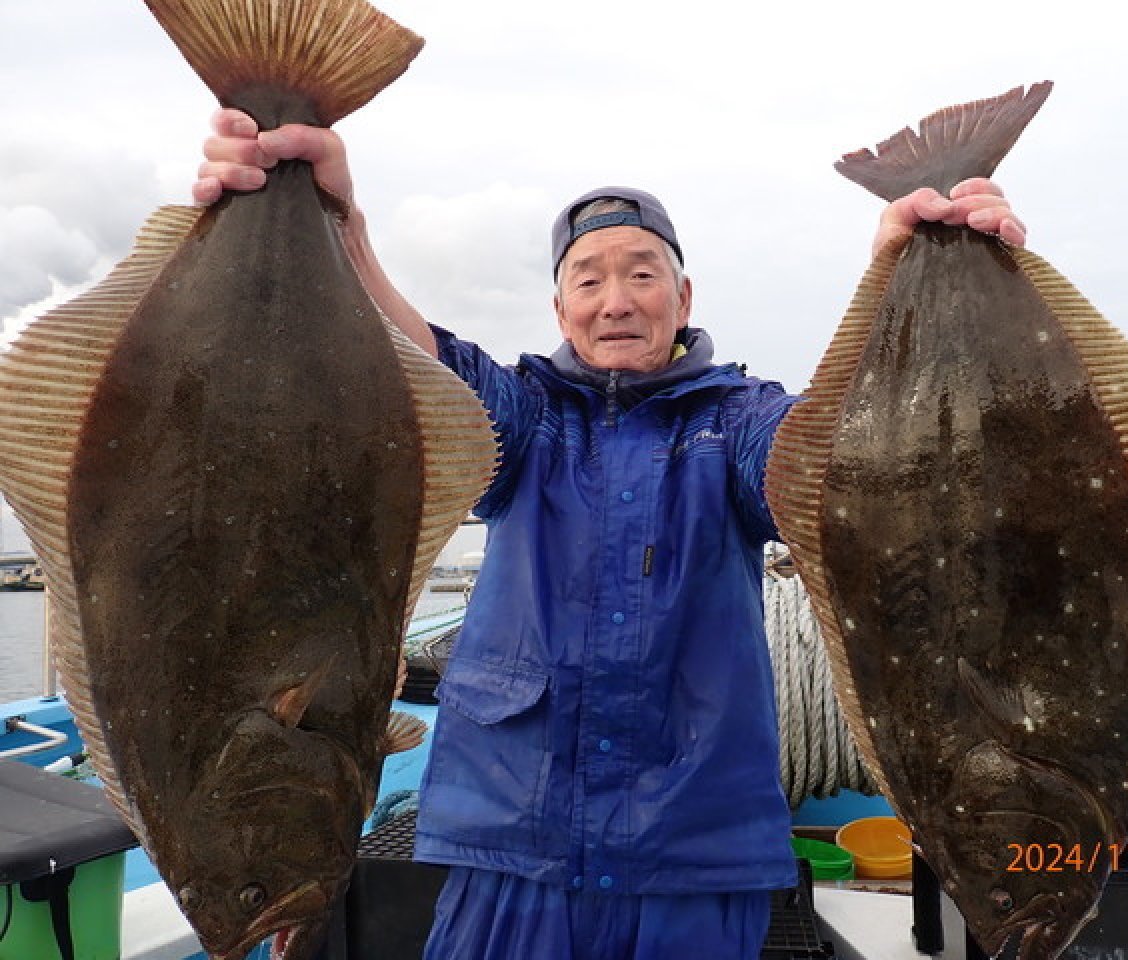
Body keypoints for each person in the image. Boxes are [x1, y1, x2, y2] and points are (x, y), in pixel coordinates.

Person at [194, 108, 1025, 960]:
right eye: (588, 280)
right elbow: (421, 367)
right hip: (515, 851)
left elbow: (831, 464)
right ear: (560, 307)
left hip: (693, 860)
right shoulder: (525, 418)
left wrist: (900, 277)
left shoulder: (737, 421)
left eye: (642, 274)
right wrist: (340, 224)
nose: (616, 302)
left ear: (684, 296)